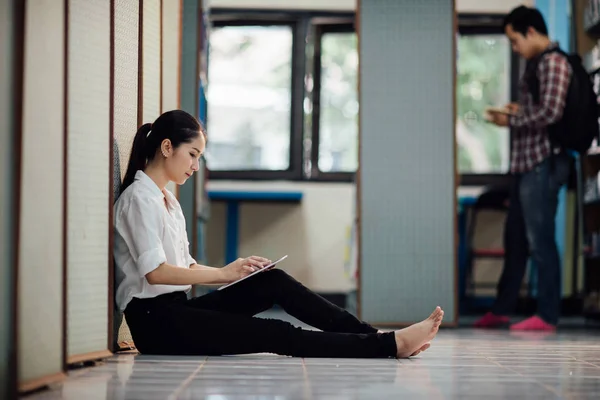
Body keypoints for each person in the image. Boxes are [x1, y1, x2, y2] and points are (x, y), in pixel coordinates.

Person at [113, 109, 444, 358]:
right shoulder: (138, 199)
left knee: (272, 280)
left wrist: (234, 274)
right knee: (274, 332)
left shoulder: (167, 200)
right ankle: (388, 345)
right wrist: (222, 273)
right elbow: (155, 273)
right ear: (167, 147)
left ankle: (374, 335)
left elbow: (184, 268)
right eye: (192, 155)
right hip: (156, 324)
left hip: (178, 309)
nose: (196, 166)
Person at [476, 6, 572, 331]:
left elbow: (551, 113)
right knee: (515, 238)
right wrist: (518, 112)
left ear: (531, 31)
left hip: (542, 164)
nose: (514, 47)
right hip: (525, 165)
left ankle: (547, 315)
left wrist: (512, 119)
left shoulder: (555, 62)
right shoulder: (536, 65)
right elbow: (540, 110)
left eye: (515, 40)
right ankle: (503, 309)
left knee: (541, 240)